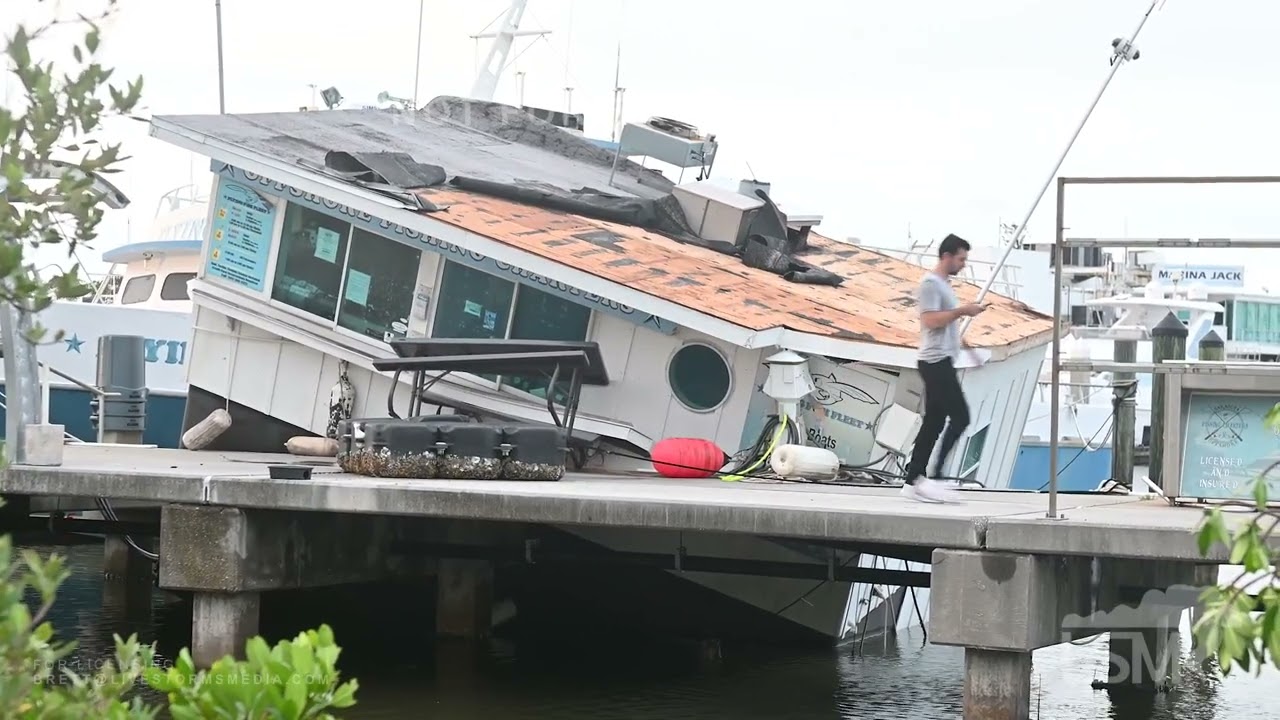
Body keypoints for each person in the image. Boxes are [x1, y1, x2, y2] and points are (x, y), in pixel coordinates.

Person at [901, 233, 987, 503]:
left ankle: (914, 479)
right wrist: (964, 311)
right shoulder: (930, 285)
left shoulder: (944, 286)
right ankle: (934, 477)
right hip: (934, 362)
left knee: (934, 422)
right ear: (947, 256)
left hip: (942, 360)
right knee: (960, 417)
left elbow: (948, 325)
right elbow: (931, 321)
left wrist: (970, 351)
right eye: (961, 259)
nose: (963, 264)